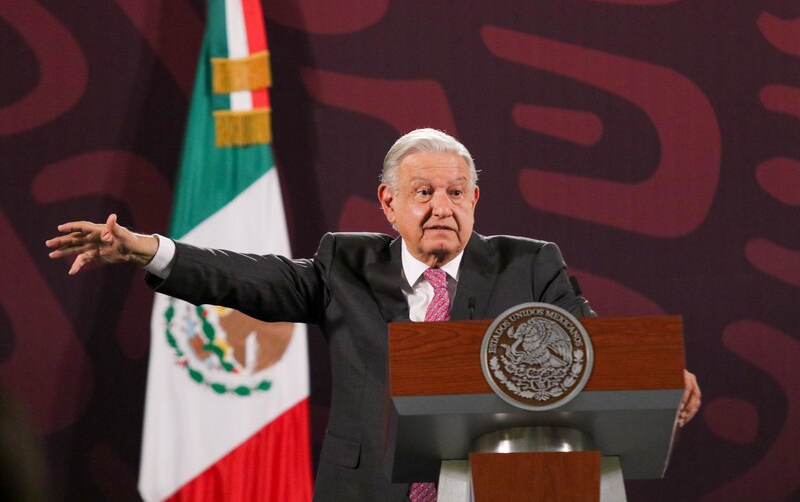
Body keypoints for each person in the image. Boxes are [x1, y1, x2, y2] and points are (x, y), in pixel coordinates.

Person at [47, 128, 701, 501]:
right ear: (389, 203)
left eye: (457, 192)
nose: (442, 205)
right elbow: (246, 278)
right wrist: (147, 250)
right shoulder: (346, 265)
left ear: (477, 200)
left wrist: (658, 376)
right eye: (424, 192)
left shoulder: (527, 266)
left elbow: (587, 343)